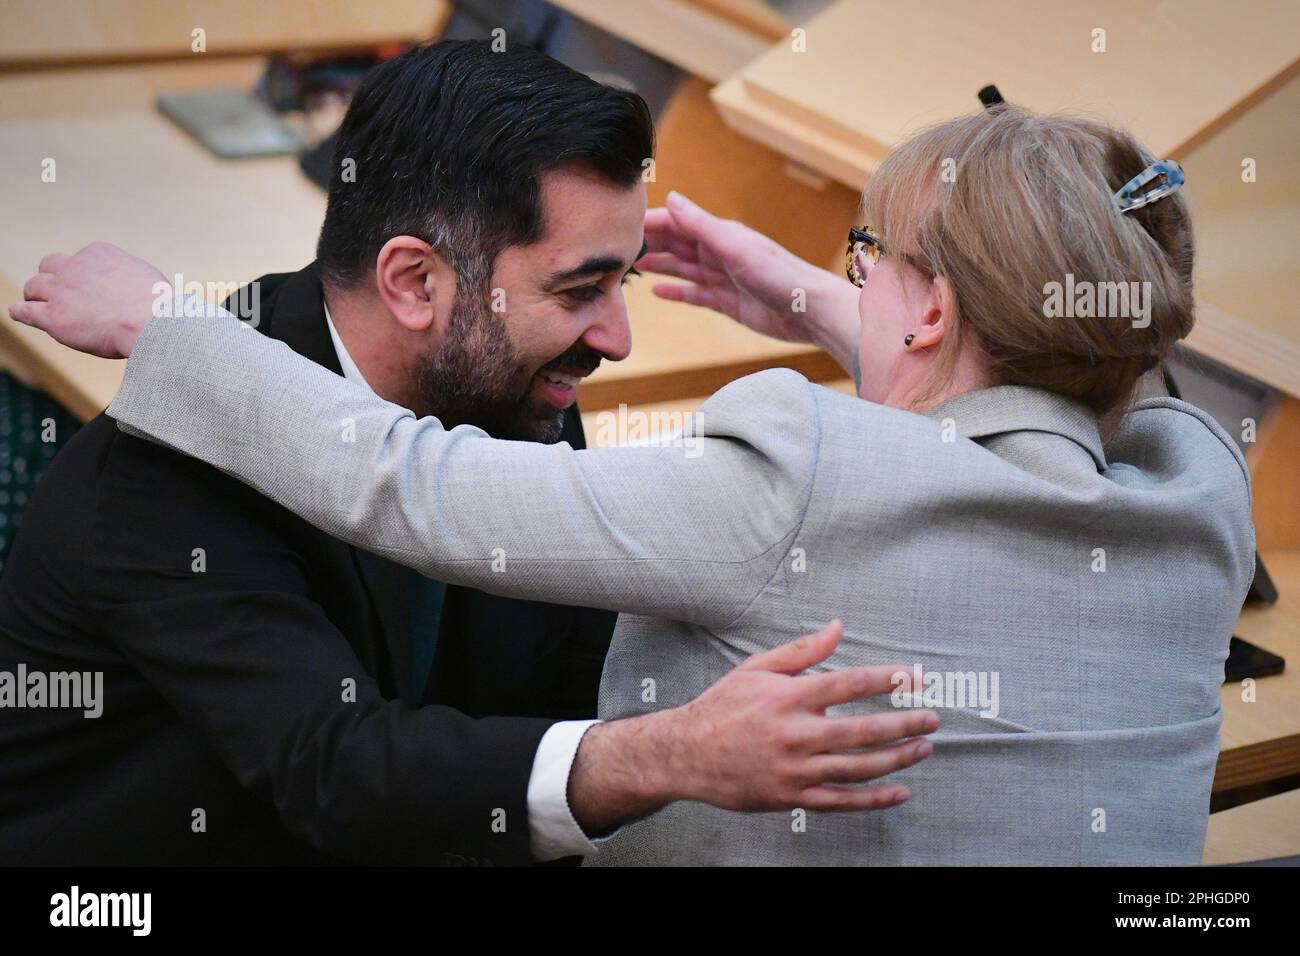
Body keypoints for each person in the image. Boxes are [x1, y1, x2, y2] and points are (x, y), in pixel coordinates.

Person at [14, 105, 1254, 865]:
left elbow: (409, 481)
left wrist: (172, 328)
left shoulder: (796, 471)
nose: (610, 338)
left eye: (863, 256)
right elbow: (1106, 355)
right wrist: (830, 302)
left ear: (927, 310)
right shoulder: (1199, 483)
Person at [0, 41, 937, 867]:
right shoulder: (163, 473)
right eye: (580, 290)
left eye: (627, 282)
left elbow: (574, 674)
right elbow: (341, 771)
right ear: (414, 281)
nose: (617, 341)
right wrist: (670, 753)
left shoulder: (512, 389)